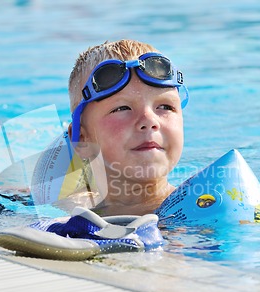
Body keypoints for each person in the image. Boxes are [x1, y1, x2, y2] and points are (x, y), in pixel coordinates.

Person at [65, 39, 188, 217]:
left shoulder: (200, 211)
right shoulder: (67, 208)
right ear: (82, 140)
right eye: (122, 109)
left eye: (165, 107)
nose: (149, 120)